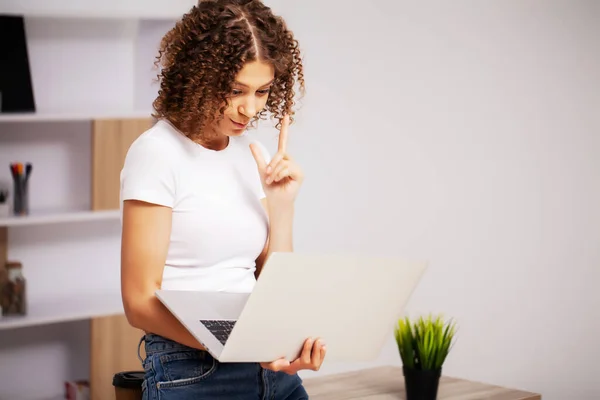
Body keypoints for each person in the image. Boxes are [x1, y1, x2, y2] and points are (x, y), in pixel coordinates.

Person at [119, 0, 325, 398]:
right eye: (236, 90)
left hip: (272, 372)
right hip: (193, 371)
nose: (250, 108)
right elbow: (139, 301)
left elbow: (274, 285)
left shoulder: (249, 152)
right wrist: (241, 344)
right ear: (199, 76)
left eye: (263, 91)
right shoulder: (157, 153)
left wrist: (282, 207)